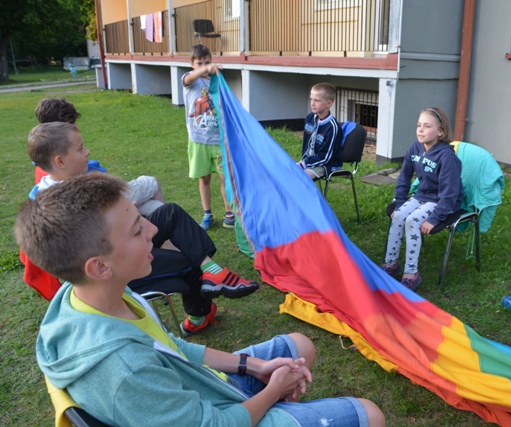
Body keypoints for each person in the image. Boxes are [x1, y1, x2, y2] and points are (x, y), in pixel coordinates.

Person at [17, 173, 386, 427]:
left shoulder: (92, 294)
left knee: (301, 346)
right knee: (370, 415)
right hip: (213, 415)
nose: (152, 229)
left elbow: (173, 348)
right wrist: (273, 390)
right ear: (100, 267)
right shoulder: (124, 370)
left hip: (200, 390)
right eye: (136, 230)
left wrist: (253, 367)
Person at [26, 121, 259, 335]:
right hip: (114, 266)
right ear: (60, 161)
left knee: (171, 213)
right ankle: (200, 317)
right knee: (188, 260)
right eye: (80, 149)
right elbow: (95, 246)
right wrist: (126, 220)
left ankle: (213, 270)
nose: (87, 152)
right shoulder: (55, 204)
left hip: (125, 242)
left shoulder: (79, 181)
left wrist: (128, 216)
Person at [33, 97, 165, 217]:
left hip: (104, 200)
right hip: (106, 204)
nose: (87, 152)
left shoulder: (45, 161)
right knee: (152, 182)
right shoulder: (57, 173)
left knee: (159, 209)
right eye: (71, 124)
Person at [380, 107, 463, 290]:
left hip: (441, 202)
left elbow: (449, 193)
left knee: (412, 221)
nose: (421, 130)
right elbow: (404, 178)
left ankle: (411, 275)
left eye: (427, 126)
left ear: (440, 131)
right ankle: (391, 264)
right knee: (399, 216)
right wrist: (399, 202)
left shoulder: (447, 157)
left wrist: (435, 219)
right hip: (422, 196)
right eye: (419, 125)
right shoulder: (415, 148)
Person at [182, 44, 235, 230]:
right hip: (199, 141)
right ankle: (207, 214)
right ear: (192, 64)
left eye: (207, 62)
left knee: (224, 178)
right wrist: (205, 69)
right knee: (204, 179)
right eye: (199, 63)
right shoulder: (191, 81)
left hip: (218, 141)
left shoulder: (217, 81)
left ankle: (230, 213)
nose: (204, 66)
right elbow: (188, 78)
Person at [298, 82, 343, 180]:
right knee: (287, 173)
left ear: (329, 103)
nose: (312, 103)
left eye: (317, 100)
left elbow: (325, 157)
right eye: (311, 99)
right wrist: (303, 163)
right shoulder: (310, 118)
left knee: (301, 178)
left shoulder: (332, 128)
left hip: (327, 164)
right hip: (310, 161)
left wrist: (304, 164)